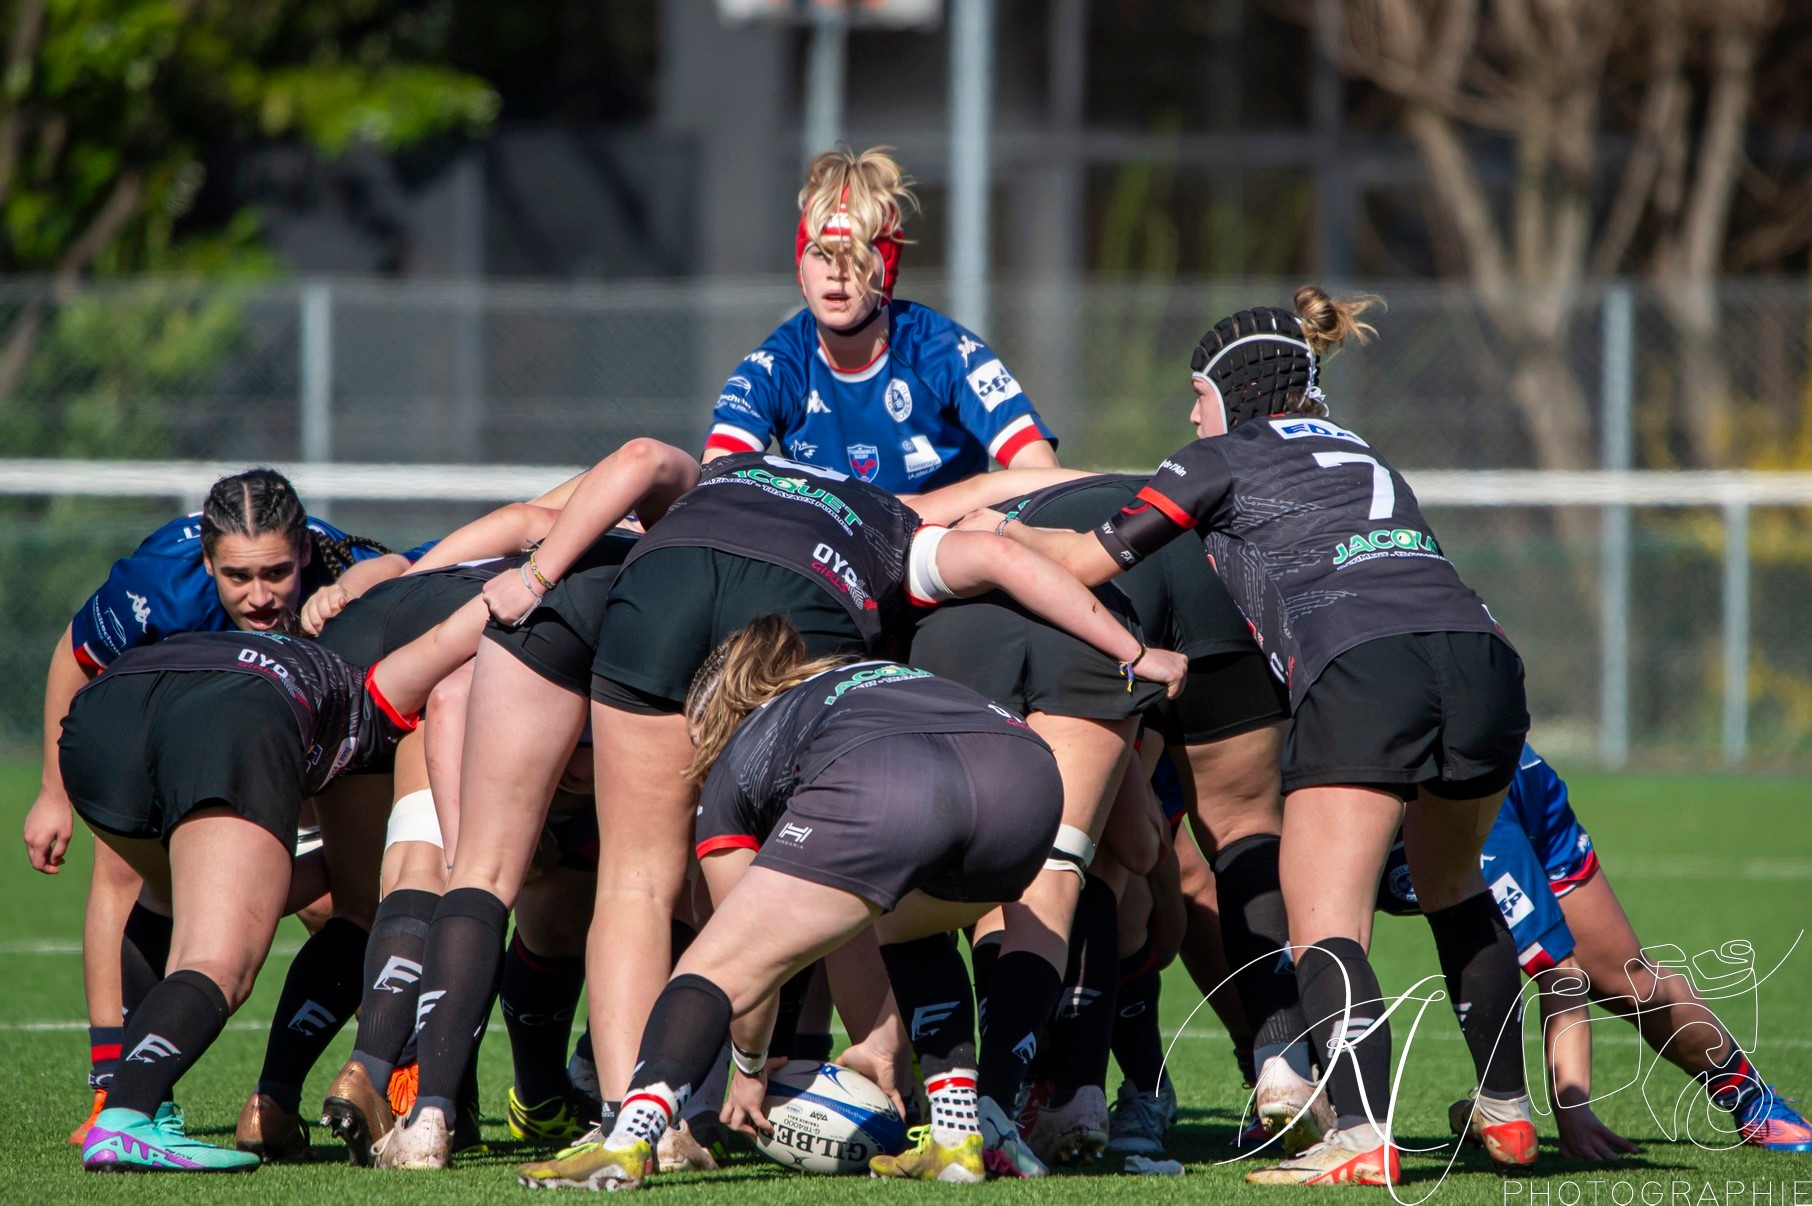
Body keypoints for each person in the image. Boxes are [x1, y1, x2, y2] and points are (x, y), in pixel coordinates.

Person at [375, 440, 1183, 1171]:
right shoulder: (891, 520)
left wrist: (532, 576)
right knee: (864, 884)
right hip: (920, 696)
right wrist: (1132, 648)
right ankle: (896, 1082)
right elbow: (1003, 546)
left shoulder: (723, 477)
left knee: (630, 884)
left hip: (651, 588)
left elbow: (640, 459)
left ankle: (602, 1121)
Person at [967, 286, 1535, 1187]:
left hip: (1364, 664)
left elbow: (1081, 561)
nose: (1191, 411)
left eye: (1199, 391)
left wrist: (990, 535)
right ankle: (1505, 1108)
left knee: (1323, 924)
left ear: (1238, 387)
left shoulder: (1222, 454)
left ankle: (1359, 1132)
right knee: (1454, 886)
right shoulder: (1362, 448)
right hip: (1484, 655)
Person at [515, 616, 1066, 1190]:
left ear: (712, 719)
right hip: (1028, 780)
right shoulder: (867, 676)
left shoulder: (739, 749)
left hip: (889, 775)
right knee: (908, 926)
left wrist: (749, 1068)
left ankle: (624, 1143)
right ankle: (956, 1140)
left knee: (713, 967)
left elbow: (748, 979)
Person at [18, 467, 412, 1146]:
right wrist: (53, 792)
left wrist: (360, 584)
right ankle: (121, 1088)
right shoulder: (159, 586)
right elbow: (74, 656)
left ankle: (346, 1077)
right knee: (129, 874)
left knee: (346, 894)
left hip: (294, 735)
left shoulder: (343, 568)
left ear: (306, 557)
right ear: (206, 562)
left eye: (278, 574)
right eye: (237, 578)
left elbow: (405, 567)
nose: (260, 597)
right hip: (163, 727)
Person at [65, 603, 487, 1173]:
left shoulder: (295, 662)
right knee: (220, 960)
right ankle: (125, 1116)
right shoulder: (368, 691)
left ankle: (146, 1102)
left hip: (102, 714)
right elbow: (445, 637)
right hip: (236, 711)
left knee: (162, 897)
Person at [702, 146, 1058, 491]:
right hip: (829, 544)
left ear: (886, 269)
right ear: (801, 268)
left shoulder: (940, 348)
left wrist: (959, 506)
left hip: (943, 540)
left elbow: (1042, 473)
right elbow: (716, 484)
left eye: (855, 255)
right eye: (821, 253)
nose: (837, 271)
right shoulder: (778, 364)